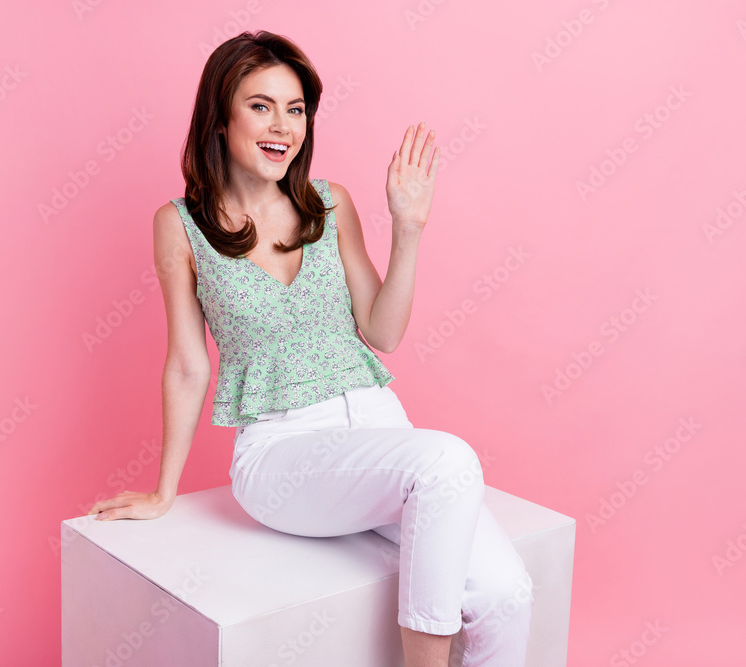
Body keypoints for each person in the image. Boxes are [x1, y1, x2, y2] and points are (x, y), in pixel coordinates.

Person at [86, 30, 533, 667]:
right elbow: (188, 364)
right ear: (219, 117)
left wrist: (408, 231)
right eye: (261, 105)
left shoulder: (329, 203)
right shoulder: (180, 225)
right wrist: (162, 492)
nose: (282, 125)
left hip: (379, 432)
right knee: (446, 458)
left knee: (506, 591)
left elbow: (380, 333)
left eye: (295, 109)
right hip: (282, 451)